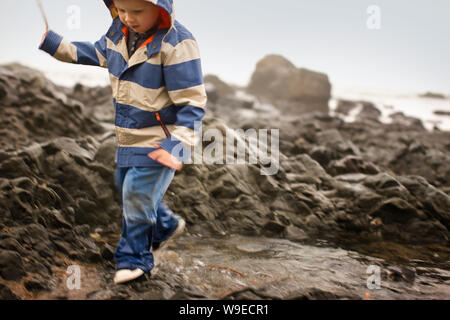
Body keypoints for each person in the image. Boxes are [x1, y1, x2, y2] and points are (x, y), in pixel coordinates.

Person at [39, 0, 206, 284]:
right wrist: (56, 44)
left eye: (138, 11)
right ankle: (165, 225)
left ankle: (135, 259)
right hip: (128, 135)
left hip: (160, 141)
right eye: (123, 10)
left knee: (137, 195)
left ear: (161, 7)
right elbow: (91, 52)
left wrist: (176, 147)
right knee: (124, 184)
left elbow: (193, 103)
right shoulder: (118, 34)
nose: (129, 18)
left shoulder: (177, 44)